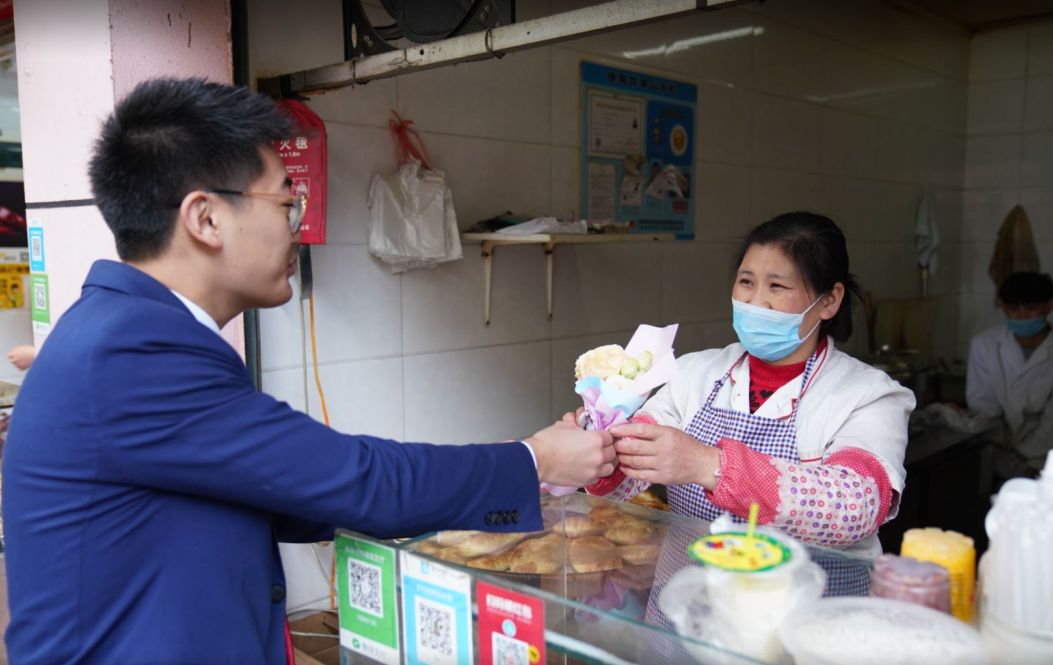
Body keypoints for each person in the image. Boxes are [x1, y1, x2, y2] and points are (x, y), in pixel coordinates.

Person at [0, 78, 615, 665]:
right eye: (287, 205)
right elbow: (357, 480)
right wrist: (535, 460)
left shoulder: (122, 333)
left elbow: (295, 493)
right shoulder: (134, 354)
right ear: (205, 218)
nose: (297, 230)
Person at [581, 212, 914, 581]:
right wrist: (597, 441)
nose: (756, 301)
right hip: (687, 615)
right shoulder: (695, 373)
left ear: (828, 301)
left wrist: (708, 465)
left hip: (804, 623)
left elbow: (854, 507)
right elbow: (627, 473)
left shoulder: (868, 395)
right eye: (746, 282)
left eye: (776, 286)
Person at [966, 271, 1053, 477]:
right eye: (1014, 309)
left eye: (1031, 308)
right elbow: (982, 403)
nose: (1022, 316)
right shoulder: (985, 344)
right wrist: (1000, 440)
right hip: (999, 451)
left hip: (1046, 457)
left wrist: (1027, 453)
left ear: (1049, 306)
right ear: (1003, 307)